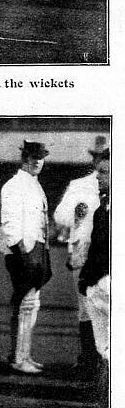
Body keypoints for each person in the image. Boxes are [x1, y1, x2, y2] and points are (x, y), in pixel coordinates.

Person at [0, 140, 52, 374]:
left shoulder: (33, 184)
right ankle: (18, 358)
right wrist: (23, 251)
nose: (37, 162)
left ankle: (24, 354)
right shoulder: (14, 185)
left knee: (31, 304)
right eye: (32, 157)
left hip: (37, 248)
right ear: (24, 159)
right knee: (25, 304)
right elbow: (9, 222)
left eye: (40, 158)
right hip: (23, 251)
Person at [53, 136, 109, 376]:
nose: (100, 160)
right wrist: (75, 214)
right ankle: (89, 358)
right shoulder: (79, 185)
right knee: (86, 306)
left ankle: (105, 361)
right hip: (84, 248)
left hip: (107, 250)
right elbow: (59, 216)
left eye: (105, 156)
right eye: (98, 156)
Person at [78, 152, 110, 386]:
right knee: (103, 347)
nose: (98, 177)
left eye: (104, 172)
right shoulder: (101, 209)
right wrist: (86, 278)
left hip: (109, 283)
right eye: (98, 171)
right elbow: (96, 248)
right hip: (97, 285)